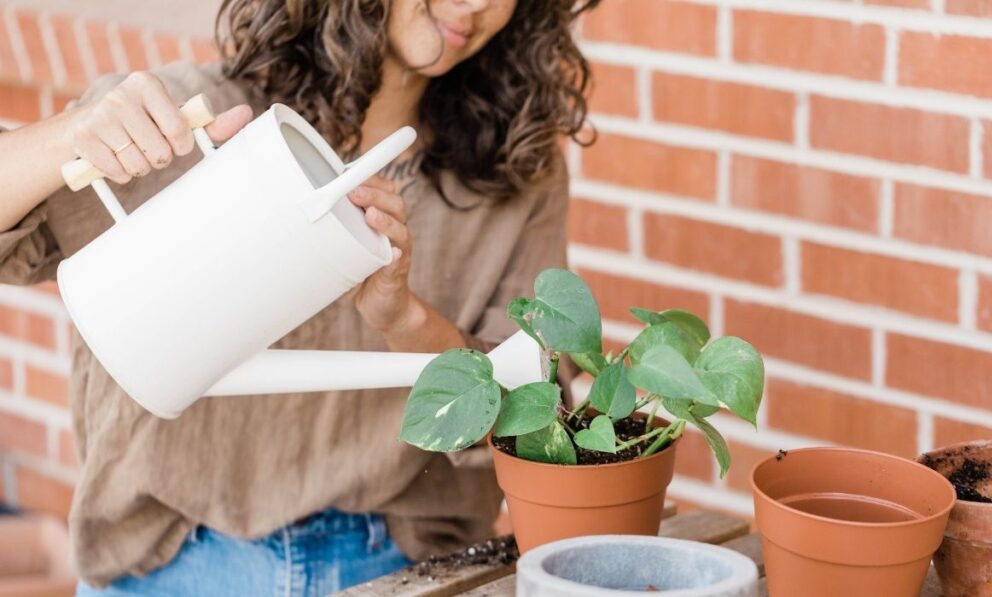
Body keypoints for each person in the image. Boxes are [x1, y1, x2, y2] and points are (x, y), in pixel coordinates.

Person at [0, 0, 598, 594]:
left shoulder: (515, 170)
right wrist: (67, 139)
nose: (477, 5)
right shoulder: (194, 118)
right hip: (172, 568)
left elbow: (529, 415)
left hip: (400, 567)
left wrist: (407, 320)